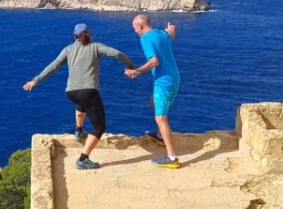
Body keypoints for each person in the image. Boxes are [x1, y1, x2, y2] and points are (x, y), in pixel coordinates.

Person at [23, 23, 135, 170]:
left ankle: (79, 131)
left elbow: (53, 66)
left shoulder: (68, 49)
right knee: (99, 127)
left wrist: (35, 80)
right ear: (87, 34)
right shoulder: (96, 47)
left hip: (71, 92)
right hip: (88, 91)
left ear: (75, 36)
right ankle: (83, 159)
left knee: (81, 105)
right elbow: (117, 54)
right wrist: (130, 66)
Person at [125, 14, 181, 169]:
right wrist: (171, 30)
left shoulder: (146, 38)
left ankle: (172, 157)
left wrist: (136, 71)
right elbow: (170, 36)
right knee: (153, 102)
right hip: (174, 77)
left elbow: (154, 61)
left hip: (163, 81)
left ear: (141, 26)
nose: (135, 32)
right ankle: (159, 135)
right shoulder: (161, 34)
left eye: (135, 28)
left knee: (161, 118)